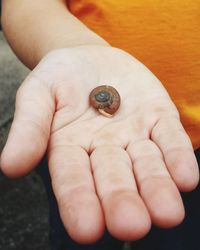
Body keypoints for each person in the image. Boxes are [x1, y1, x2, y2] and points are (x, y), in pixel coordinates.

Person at [0, 0, 199, 249]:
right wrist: (72, 45)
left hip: (181, 143)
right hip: (81, 142)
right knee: (84, 224)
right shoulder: (98, 100)